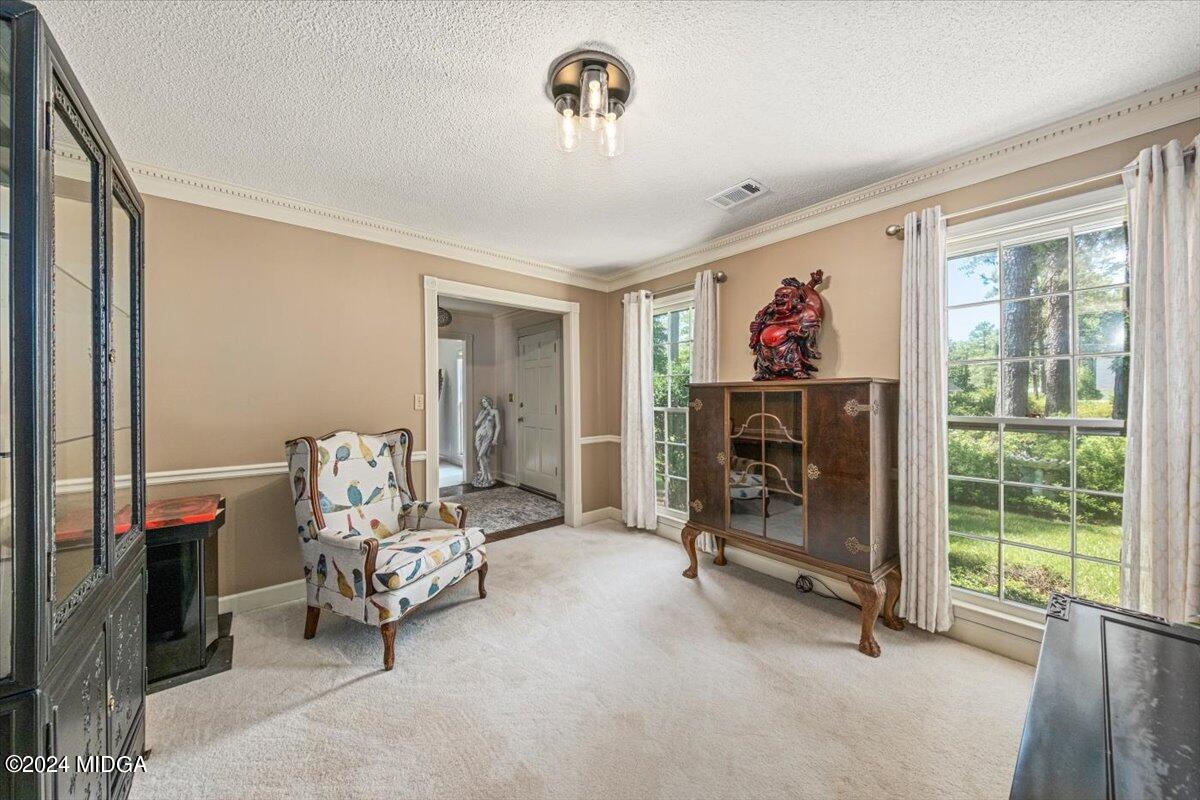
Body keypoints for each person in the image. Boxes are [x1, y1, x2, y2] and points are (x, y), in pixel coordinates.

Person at [471, 395, 501, 487]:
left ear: (489, 401)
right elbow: (476, 424)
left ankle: (484, 475)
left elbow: (498, 426)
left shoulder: (495, 411)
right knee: (483, 455)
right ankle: (488, 476)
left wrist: (495, 438)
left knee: (480, 455)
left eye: (485, 401)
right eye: (482, 402)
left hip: (488, 435)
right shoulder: (482, 412)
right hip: (479, 434)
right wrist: (483, 415)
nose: (483, 403)